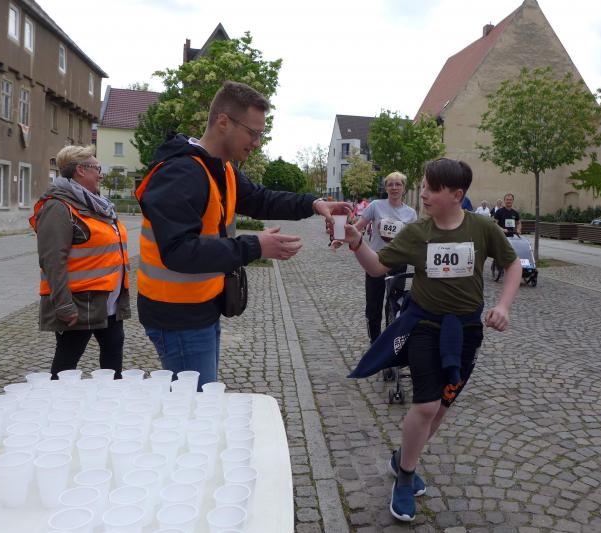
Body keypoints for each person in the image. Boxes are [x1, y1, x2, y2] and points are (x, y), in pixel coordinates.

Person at [332, 158, 521, 522]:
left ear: (457, 195)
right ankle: (405, 477)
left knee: (442, 407)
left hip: (466, 332)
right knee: (426, 405)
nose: (424, 194)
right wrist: (356, 242)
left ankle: (403, 457)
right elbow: (377, 266)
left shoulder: (482, 228)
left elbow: (512, 264)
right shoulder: (418, 232)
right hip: (424, 325)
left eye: (432, 189)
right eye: (423, 187)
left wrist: (504, 306)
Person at [136, 81, 349, 388]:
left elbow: (261, 199)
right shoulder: (181, 172)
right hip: (177, 315)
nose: (257, 142)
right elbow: (179, 251)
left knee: (199, 399)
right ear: (223, 122)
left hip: (200, 307)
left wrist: (314, 204)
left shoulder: (221, 169)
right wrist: (255, 246)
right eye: (253, 132)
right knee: (195, 404)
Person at [29, 145, 130, 379]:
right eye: (97, 169)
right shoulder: (58, 206)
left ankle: (110, 399)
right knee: (66, 363)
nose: (101, 175)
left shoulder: (97, 205)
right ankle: (57, 401)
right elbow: (52, 261)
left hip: (109, 302)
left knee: (113, 360)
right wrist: (63, 305)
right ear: (81, 170)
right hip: (78, 303)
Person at [354, 172, 417, 343]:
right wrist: (342, 238)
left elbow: (413, 239)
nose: (394, 188)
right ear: (386, 187)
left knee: (394, 304)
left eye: (398, 184)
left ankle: (389, 342)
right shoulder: (376, 206)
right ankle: (374, 340)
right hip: (375, 260)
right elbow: (358, 227)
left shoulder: (411, 213)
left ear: (404, 188)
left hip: (398, 263)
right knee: (373, 304)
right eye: (390, 184)